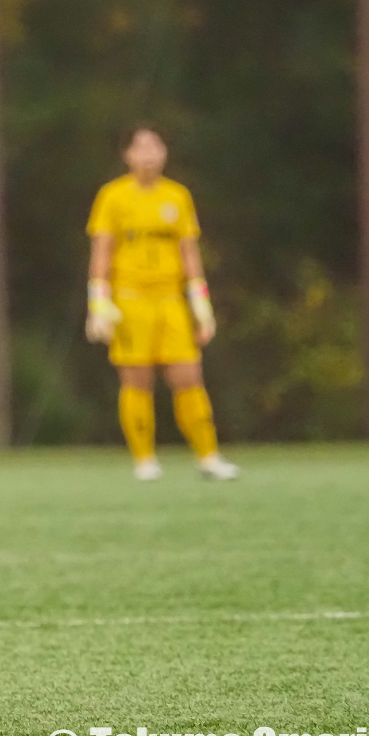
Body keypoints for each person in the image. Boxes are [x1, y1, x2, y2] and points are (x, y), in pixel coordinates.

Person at [85, 125, 240, 481]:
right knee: (136, 379)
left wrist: (201, 303)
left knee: (188, 375)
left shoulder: (177, 196)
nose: (148, 155)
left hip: (170, 299)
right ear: (127, 155)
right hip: (130, 300)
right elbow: (102, 251)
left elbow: (189, 253)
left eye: (155, 147)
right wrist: (98, 301)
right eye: (140, 148)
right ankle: (144, 460)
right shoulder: (113, 196)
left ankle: (208, 456)